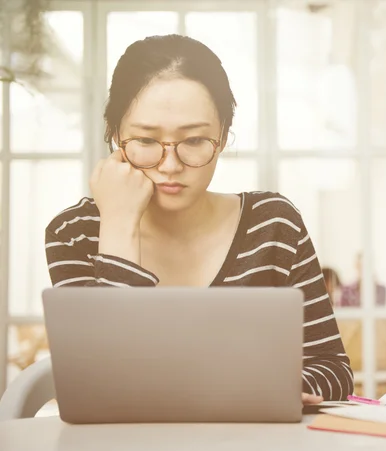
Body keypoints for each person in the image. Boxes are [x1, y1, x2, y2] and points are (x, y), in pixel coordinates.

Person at [44, 34, 353, 405]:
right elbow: (101, 382)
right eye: (145, 140)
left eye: (193, 141)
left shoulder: (274, 225)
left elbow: (332, 369)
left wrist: (258, 391)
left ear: (222, 137)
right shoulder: (74, 233)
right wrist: (119, 226)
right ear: (114, 136)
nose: (170, 166)